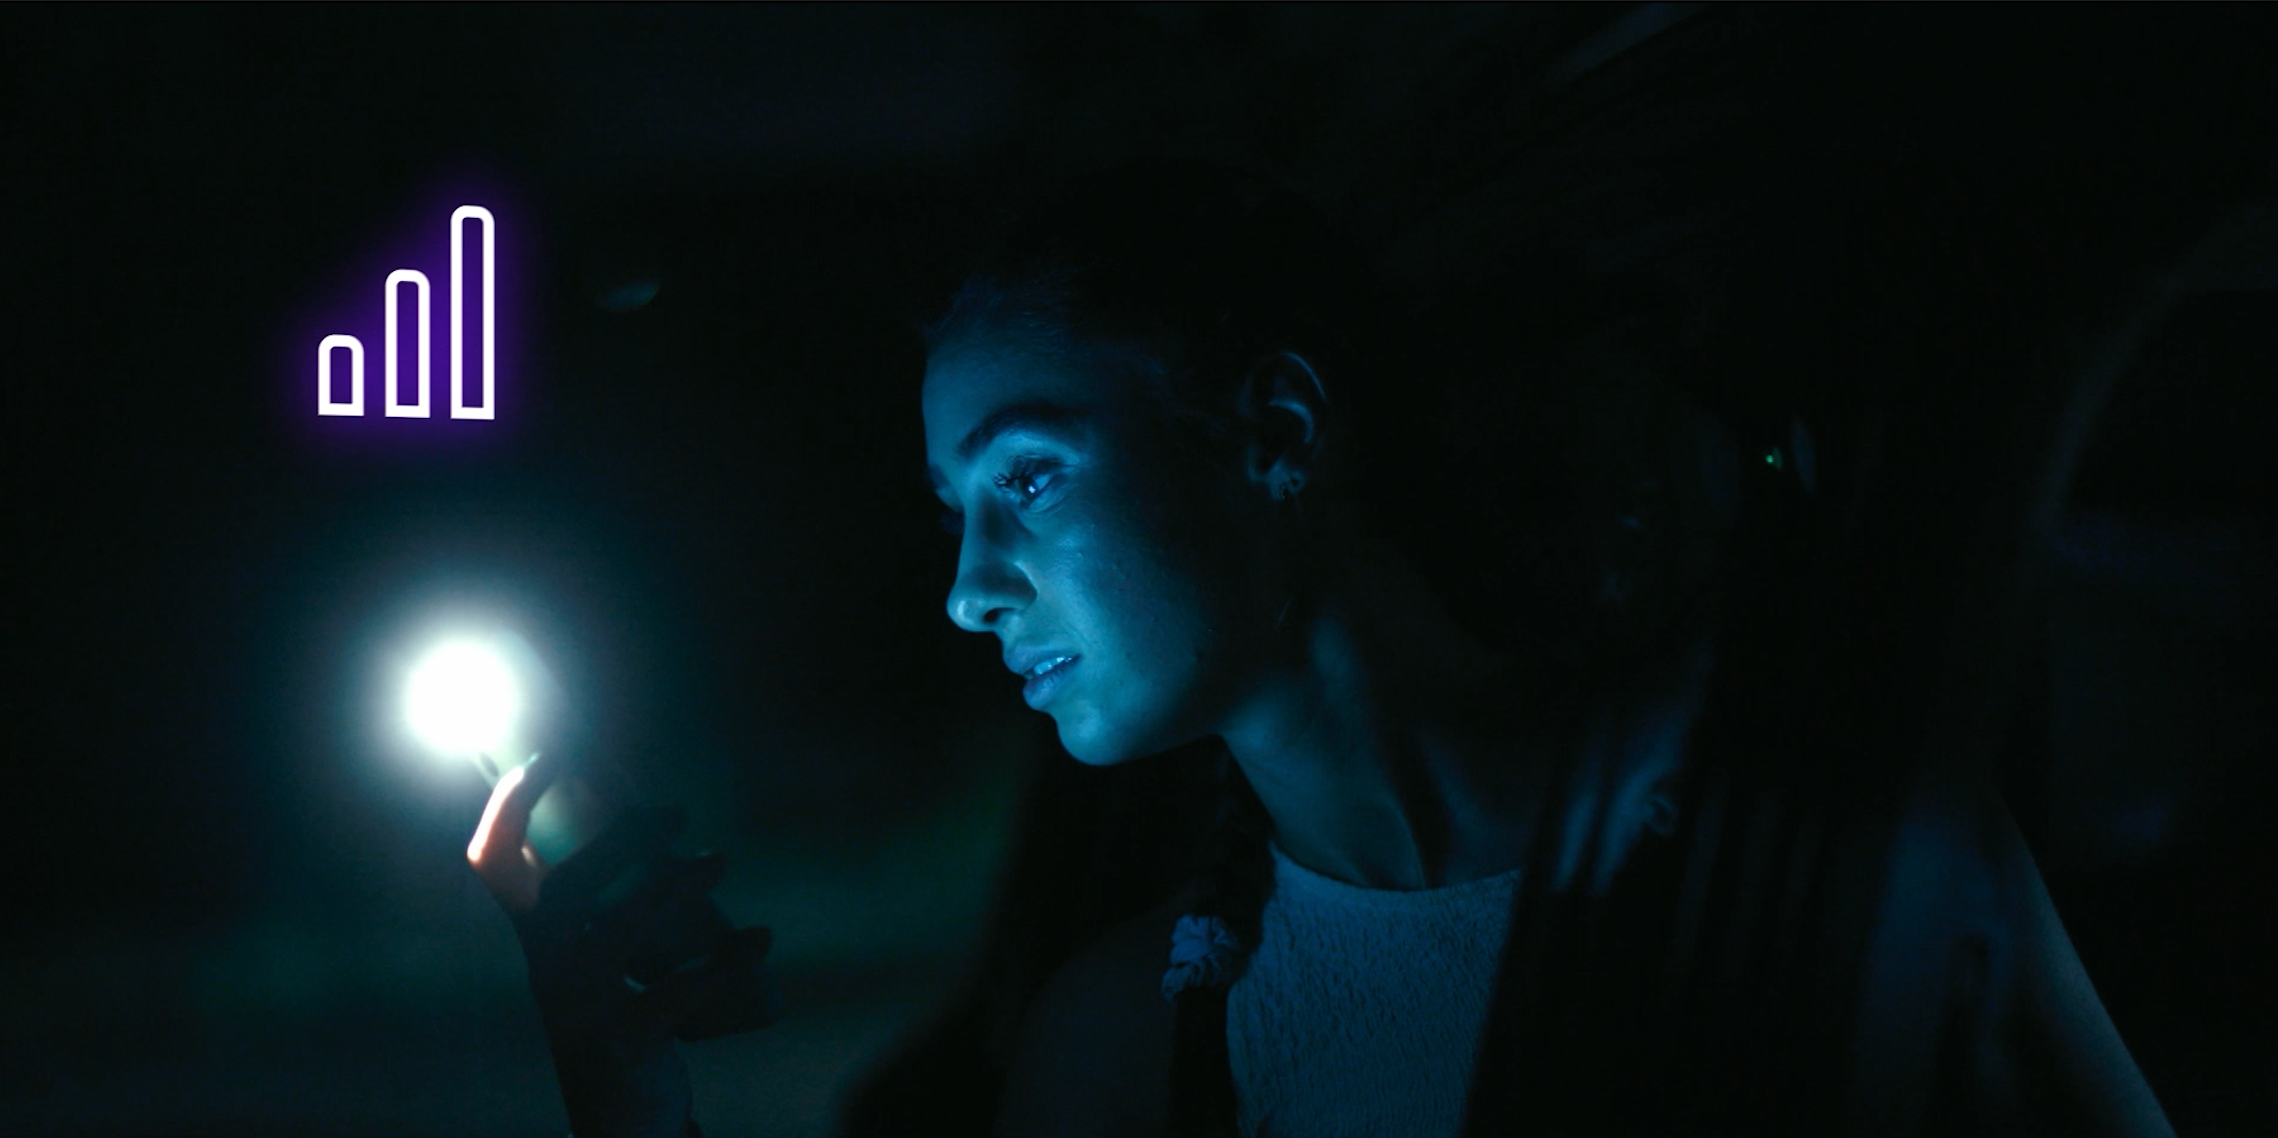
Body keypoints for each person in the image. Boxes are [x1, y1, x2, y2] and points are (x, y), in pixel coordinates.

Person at [467, 163, 2174, 1138]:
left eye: (1029, 477)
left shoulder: (1822, 844)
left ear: (1275, 433)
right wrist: (624, 1073)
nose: (970, 590)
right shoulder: (1127, 1045)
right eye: (949, 512)